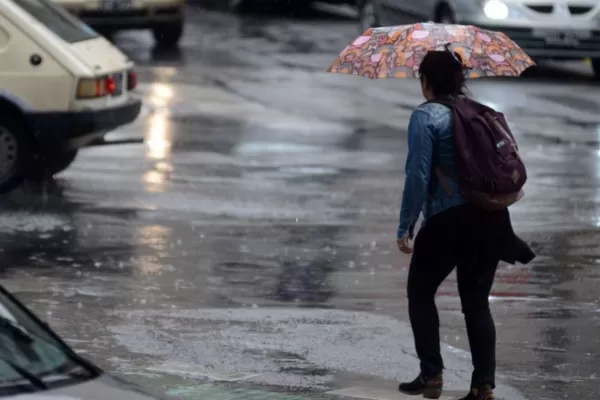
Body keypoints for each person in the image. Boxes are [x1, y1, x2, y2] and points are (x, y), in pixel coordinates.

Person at [395, 49, 534, 400]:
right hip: (489, 218)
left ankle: (432, 376)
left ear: (426, 82)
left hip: (447, 220)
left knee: (420, 293)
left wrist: (406, 224)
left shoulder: (426, 117)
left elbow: (417, 175)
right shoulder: (479, 112)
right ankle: (482, 385)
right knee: (476, 303)